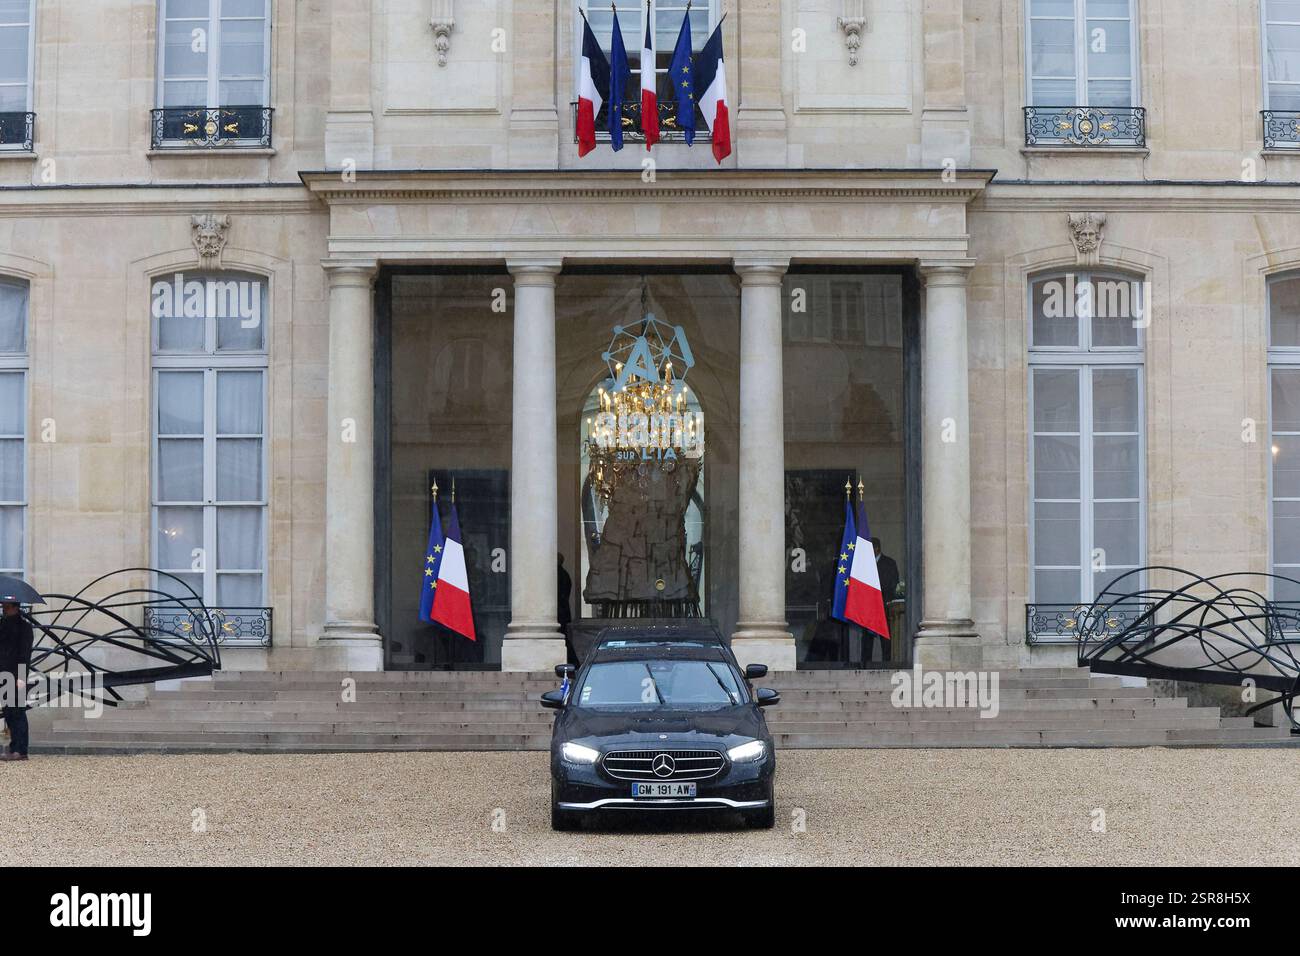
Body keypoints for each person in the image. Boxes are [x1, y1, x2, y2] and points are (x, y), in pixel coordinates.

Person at [0, 600, 34, 761]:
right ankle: (15, 747)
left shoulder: (24, 627)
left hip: (15, 675)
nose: (3, 608)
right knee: (8, 712)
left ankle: (21, 750)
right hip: (3, 673)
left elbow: (24, 654)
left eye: (6, 606)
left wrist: (21, 676)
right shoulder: (2, 624)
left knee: (17, 712)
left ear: (15, 607)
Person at [871, 538, 901, 664]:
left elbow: (893, 583)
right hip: (869, 606)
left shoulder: (889, 563)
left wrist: (884, 599)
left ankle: (887, 663)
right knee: (867, 639)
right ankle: (864, 664)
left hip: (884, 605)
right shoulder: (863, 564)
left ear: (877, 548)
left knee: (886, 638)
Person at [557, 553, 575, 665]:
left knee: (562, 638)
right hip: (563, 612)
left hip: (560, 612)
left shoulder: (559, 574)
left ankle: (573, 662)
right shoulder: (564, 574)